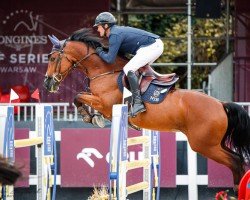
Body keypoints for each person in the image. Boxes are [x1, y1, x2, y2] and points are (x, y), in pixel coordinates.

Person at [93, 12, 164, 117]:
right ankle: (139, 100)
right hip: (153, 46)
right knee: (134, 70)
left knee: (129, 69)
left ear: (106, 25)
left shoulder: (114, 34)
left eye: (98, 26)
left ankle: (138, 103)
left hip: (152, 46)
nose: (98, 29)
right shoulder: (115, 33)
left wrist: (99, 52)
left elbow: (109, 59)